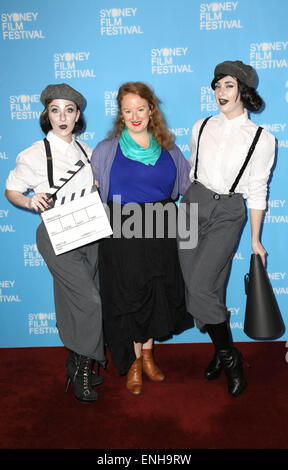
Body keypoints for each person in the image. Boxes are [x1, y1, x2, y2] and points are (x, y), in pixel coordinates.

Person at [178, 60, 276, 397]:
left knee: (201, 284)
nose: (221, 92)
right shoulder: (200, 126)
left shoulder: (262, 138)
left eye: (229, 85)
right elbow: (192, 170)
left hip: (230, 209)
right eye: (217, 85)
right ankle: (223, 352)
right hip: (193, 204)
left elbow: (258, 189)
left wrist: (256, 240)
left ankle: (229, 357)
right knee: (202, 285)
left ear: (244, 91)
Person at [91, 81, 194, 395]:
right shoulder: (107, 149)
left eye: (140, 108)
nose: (134, 115)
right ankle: (134, 362)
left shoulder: (170, 149)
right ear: (120, 114)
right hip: (122, 231)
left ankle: (148, 355)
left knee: (156, 292)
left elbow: (187, 191)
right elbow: (92, 194)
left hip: (161, 228)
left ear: (152, 110)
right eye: (127, 110)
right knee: (129, 296)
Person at [5, 83, 105, 403]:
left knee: (74, 300)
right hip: (56, 233)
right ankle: (84, 369)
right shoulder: (35, 153)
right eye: (55, 110)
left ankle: (76, 363)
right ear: (47, 114)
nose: (62, 117)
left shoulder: (88, 152)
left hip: (90, 233)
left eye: (69, 110)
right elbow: (12, 190)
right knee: (89, 301)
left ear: (78, 116)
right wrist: (29, 200)